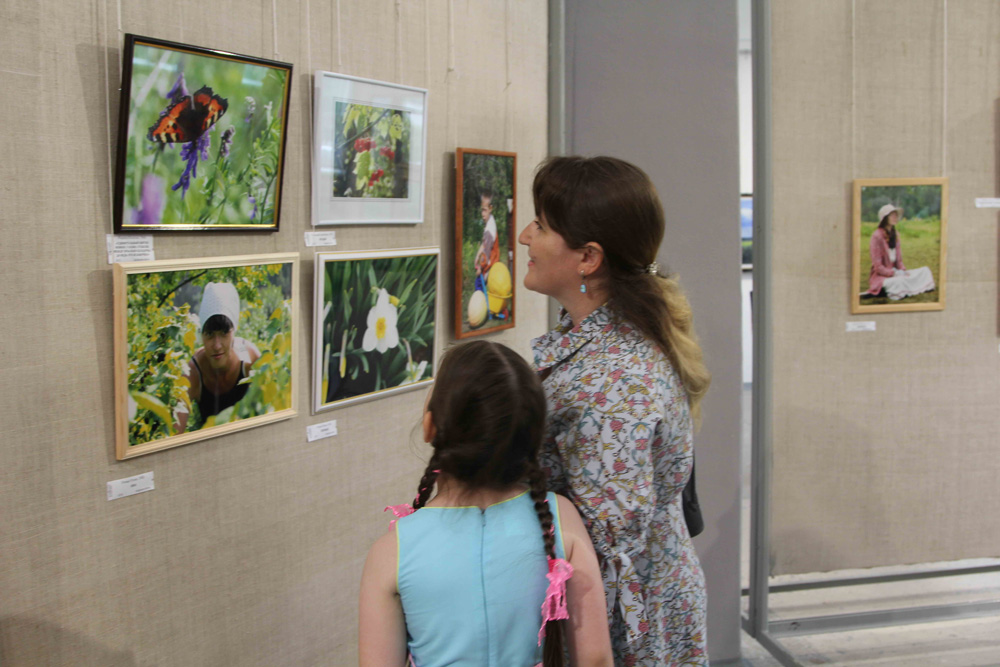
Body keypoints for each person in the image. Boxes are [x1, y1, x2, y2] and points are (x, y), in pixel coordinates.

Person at [519, 156, 711, 665]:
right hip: (644, 601)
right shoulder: (609, 338)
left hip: (623, 626)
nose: (523, 236)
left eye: (539, 225)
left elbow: (603, 550)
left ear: (588, 258)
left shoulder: (611, 381)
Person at [358, 340, 613, 667]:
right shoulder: (559, 517)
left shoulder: (390, 552)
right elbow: (595, 660)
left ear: (430, 427)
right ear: (533, 435)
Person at [175, 282, 260, 432]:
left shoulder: (250, 358)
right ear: (201, 335)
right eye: (210, 334)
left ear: (234, 331)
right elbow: (175, 434)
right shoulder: (193, 373)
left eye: (224, 333)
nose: (217, 345)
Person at [864, 203, 936, 300]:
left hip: (897, 274)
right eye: (892, 215)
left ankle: (906, 286)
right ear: (885, 218)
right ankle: (897, 289)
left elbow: (899, 261)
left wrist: (902, 271)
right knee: (898, 282)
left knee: (925, 270)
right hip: (883, 277)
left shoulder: (895, 234)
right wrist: (893, 273)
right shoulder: (876, 236)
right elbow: (878, 267)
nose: (895, 217)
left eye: (896, 215)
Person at [473, 191, 500, 278]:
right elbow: (484, 244)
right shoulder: (490, 222)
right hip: (489, 264)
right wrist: (477, 255)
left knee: (479, 288)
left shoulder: (489, 229)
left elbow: (487, 252)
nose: (482, 214)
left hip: (489, 268)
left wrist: (480, 268)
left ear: (490, 208)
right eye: (482, 210)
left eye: (485, 210)